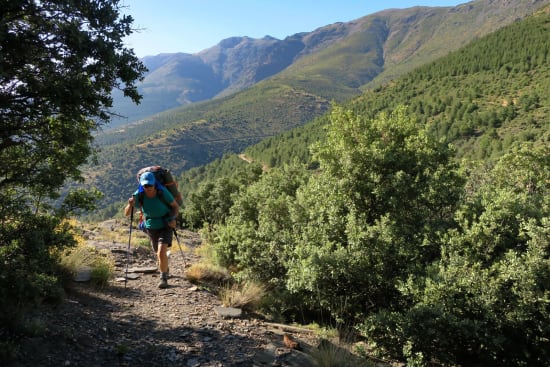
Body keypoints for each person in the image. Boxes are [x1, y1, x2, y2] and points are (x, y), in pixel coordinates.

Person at [124, 171, 179, 288]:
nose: (148, 188)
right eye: (145, 186)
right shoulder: (139, 194)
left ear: (154, 184)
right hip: (151, 226)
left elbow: (175, 206)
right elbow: (127, 213)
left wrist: (173, 218)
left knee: (160, 252)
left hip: (166, 224)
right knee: (157, 253)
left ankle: (163, 278)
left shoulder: (162, 192)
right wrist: (130, 204)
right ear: (142, 185)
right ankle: (165, 268)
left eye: (150, 185)